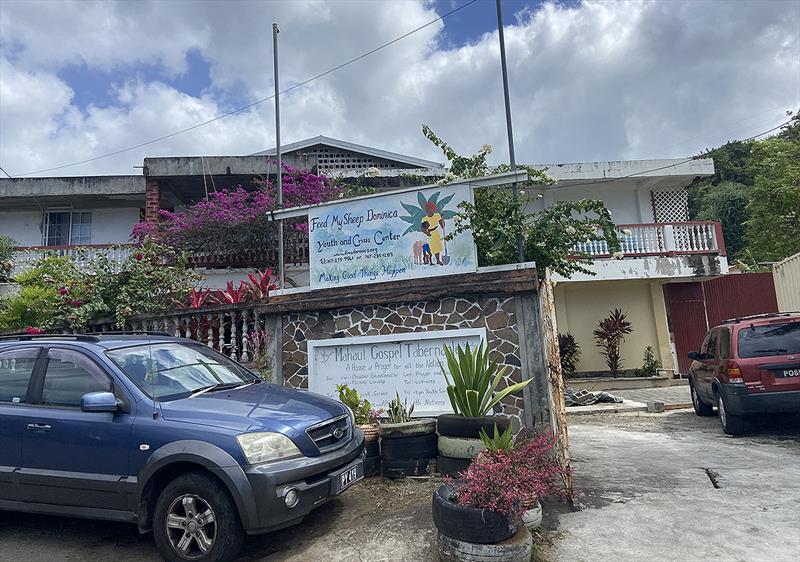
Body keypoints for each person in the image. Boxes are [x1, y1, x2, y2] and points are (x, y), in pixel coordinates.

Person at [421, 201, 445, 266]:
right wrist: (426, 233)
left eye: (431, 209)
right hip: (429, 234)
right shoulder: (424, 219)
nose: (430, 211)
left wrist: (442, 218)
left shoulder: (437, 215)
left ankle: (438, 260)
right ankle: (428, 261)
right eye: (428, 209)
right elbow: (422, 228)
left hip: (436, 233)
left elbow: (442, 226)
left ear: (433, 209)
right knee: (431, 248)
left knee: (437, 247)